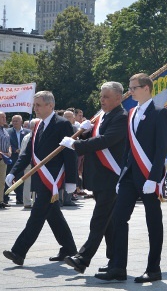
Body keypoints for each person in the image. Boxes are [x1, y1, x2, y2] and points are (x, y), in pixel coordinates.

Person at [96, 74, 167, 283]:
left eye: (134, 88)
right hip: (130, 176)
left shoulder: (159, 112)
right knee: (118, 218)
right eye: (129, 87)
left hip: (148, 177)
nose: (130, 91)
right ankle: (118, 267)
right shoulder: (131, 113)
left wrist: (154, 178)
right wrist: (121, 176)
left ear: (146, 88)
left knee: (153, 222)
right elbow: (128, 149)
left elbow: (161, 148)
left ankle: (153, 268)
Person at [3, 91, 78, 266]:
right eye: (34, 105)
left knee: (37, 215)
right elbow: (28, 152)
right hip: (40, 177)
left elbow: (69, 153)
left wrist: (71, 180)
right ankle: (69, 248)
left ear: (50, 105)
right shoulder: (38, 125)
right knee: (53, 215)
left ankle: (19, 251)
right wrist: (14, 172)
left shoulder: (63, 124)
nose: (34, 108)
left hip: (52, 179)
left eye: (38, 105)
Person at [61, 81, 128, 274]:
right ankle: (115, 263)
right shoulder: (103, 117)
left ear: (118, 98)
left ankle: (83, 259)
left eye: (106, 97)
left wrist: (76, 144)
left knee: (99, 220)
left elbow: (106, 141)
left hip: (111, 177)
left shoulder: (121, 117)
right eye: (101, 96)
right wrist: (83, 134)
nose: (102, 100)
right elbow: (96, 140)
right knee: (110, 224)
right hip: (100, 177)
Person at [8, 115, 30, 205]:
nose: (14, 123)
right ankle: (5, 197)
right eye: (13, 121)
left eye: (16, 121)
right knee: (9, 177)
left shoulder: (27, 132)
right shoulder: (8, 132)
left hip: (23, 159)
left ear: (21, 122)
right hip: (12, 158)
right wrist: (14, 149)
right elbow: (7, 143)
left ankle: (20, 198)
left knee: (21, 179)